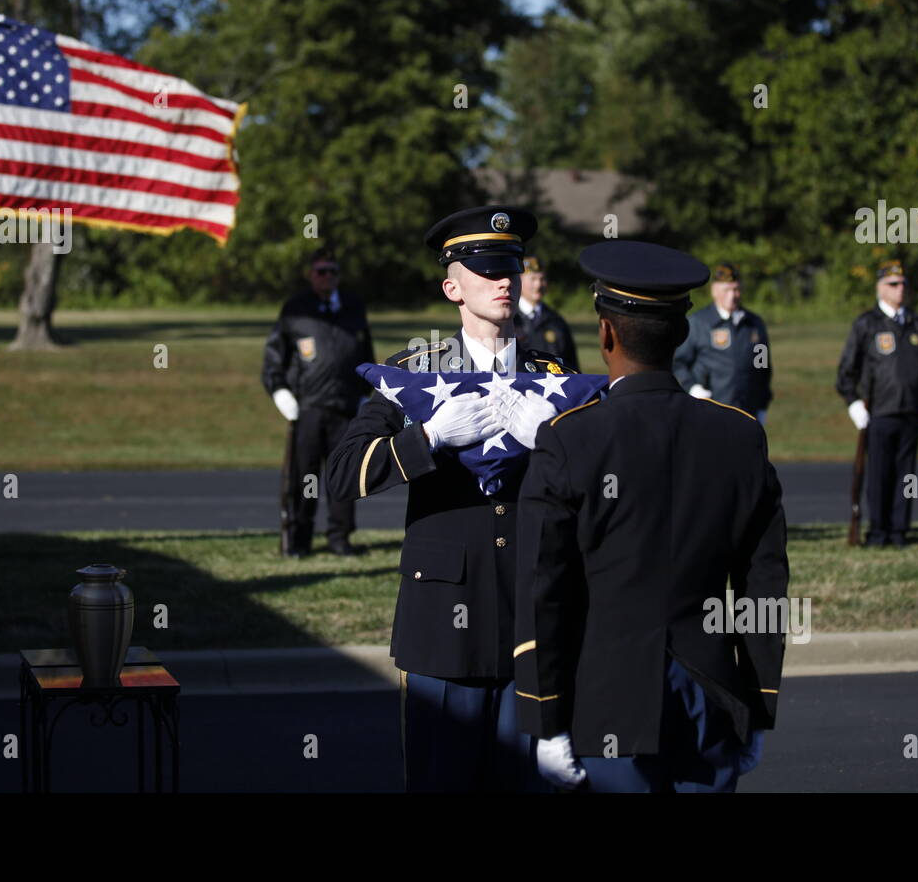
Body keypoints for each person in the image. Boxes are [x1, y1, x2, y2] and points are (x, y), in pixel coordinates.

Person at [513, 240, 789, 793]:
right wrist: (758, 706)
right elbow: (764, 586)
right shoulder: (739, 436)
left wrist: (544, 720)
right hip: (711, 696)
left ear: (606, 334)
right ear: (683, 334)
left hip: (607, 700)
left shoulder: (570, 439)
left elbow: (543, 590)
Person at [325, 205, 574, 792]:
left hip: (532, 623)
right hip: (444, 628)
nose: (504, 280)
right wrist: (429, 437)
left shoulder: (553, 374)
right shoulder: (411, 376)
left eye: (510, 266)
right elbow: (341, 475)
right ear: (452, 288)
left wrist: (558, 441)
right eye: (487, 269)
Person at [261, 247, 375, 557]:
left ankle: (340, 537)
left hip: (346, 407)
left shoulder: (352, 307)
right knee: (304, 477)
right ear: (311, 274)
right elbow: (274, 359)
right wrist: (280, 392)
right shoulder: (295, 310)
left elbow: (366, 354)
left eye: (332, 271)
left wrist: (367, 393)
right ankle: (299, 539)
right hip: (308, 408)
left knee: (344, 475)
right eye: (321, 271)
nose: (327, 277)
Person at [835, 258, 918, 548]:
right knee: (879, 475)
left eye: (903, 284)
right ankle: (878, 531)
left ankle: (899, 529)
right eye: (893, 284)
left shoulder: (917, 324)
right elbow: (846, 371)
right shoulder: (867, 324)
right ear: (880, 288)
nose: (900, 289)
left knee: (907, 477)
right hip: (878, 412)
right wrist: (853, 403)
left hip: (911, 412)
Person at [671, 261, 772, 421]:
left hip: (747, 411)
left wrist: (762, 404)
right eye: (726, 290)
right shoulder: (698, 323)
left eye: (736, 289)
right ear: (715, 291)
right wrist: (692, 387)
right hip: (710, 413)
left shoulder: (754, 324)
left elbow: (763, 367)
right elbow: (678, 363)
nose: (732, 296)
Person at [513, 255, 578, 371]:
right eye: (533, 279)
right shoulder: (509, 319)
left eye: (542, 279)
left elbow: (571, 366)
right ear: (520, 280)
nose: (538, 285)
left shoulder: (556, 321)